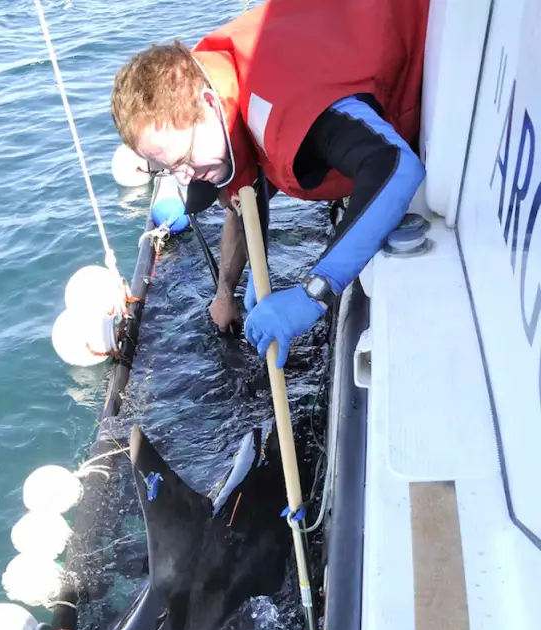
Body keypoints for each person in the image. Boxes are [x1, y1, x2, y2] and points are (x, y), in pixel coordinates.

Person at [111, 0, 430, 365]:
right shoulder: (215, 86)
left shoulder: (284, 100)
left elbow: (394, 167)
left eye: (183, 159)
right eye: (167, 168)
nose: (183, 176)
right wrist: (226, 291)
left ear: (209, 105)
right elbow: (242, 200)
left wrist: (312, 293)